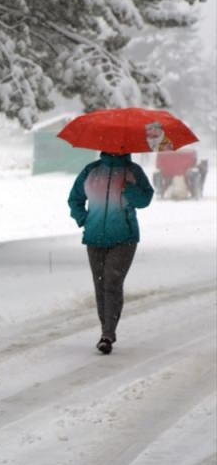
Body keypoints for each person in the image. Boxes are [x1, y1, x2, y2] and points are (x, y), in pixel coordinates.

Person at [68, 151, 154, 354]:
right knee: (100, 285)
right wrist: (84, 219)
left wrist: (130, 190)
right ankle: (106, 330)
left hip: (124, 238)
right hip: (94, 238)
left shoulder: (132, 171)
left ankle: (107, 334)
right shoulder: (92, 171)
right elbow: (74, 199)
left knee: (111, 282)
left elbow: (145, 200)